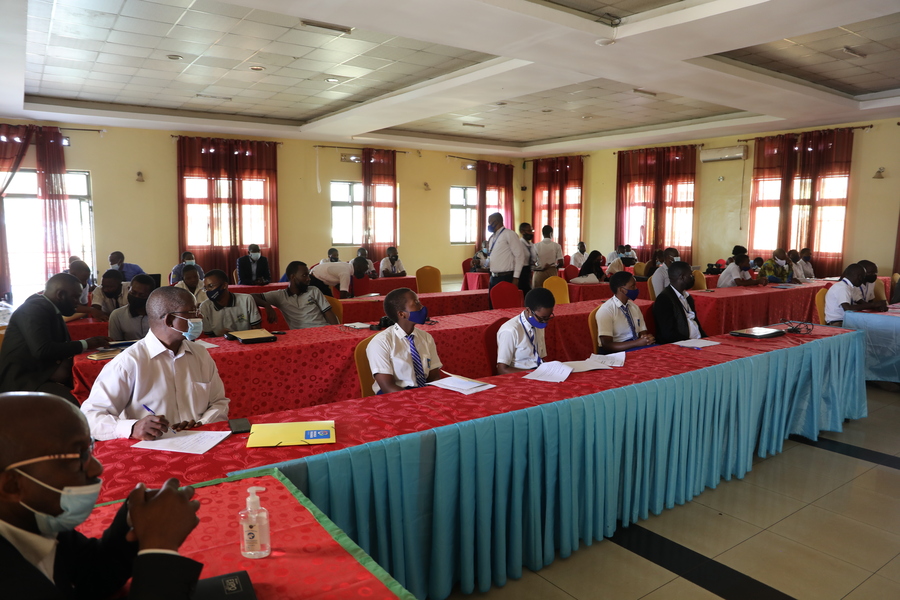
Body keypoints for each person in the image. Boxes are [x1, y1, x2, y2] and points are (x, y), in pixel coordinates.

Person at [0, 391, 203, 598]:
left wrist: (131, 521)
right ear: (11, 486)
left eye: (89, 449)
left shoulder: (33, 518)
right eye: (77, 457)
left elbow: (92, 576)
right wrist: (160, 548)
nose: (97, 468)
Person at [81, 287, 230, 440]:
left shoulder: (200, 354)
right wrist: (132, 427)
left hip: (201, 441)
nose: (200, 316)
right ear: (170, 320)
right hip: (151, 448)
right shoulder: (129, 363)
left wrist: (203, 423)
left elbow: (219, 402)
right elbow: (89, 417)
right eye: (193, 312)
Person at [0, 274, 111, 404]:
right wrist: (85, 344)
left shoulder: (49, 308)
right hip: (25, 381)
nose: (78, 302)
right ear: (60, 295)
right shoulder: (33, 309)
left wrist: (88, 344)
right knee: (79, 404)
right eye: (75, 297)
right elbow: (42, 350)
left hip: (42, 376)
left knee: (97, 391)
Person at [366, 288, 442, 394]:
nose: (421, 307)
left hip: (422, 391)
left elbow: (434, 377)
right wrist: (417, 399)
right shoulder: (381, 342)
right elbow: (387, 387)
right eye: (416, 303)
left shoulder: (426, 337)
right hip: (394, 395)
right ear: (402, 314)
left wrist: (431, 395)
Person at [253, 261, 338, 330]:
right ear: (293, 277)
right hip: (302, 335)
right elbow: (250, 297)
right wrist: (266, 305)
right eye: (304, 275)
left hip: (323, 330)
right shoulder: (280, 295)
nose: (308, 279)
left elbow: (328, 312)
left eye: (308, 275)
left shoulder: (313, 290)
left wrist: (336, 330)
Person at [496, 287, 555, 374]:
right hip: (519, 376)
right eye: (543, 318)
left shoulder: (538, 324)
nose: (545, 322)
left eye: (548, 317)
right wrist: (533, 373)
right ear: (528, 311)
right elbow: (502, 370)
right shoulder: (510, 331)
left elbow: (538, 358)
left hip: (537, 372)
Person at [596, 271, 655, 353]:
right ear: (622, 290)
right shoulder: (606, 310)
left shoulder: (634, 307)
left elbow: (642, 331)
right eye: (632, 286)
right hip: (617, 351)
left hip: (635, 346)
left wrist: (646, 338)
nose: (636, 289)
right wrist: (637, 343)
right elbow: (607, 345)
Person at [652, 261, 707, 344]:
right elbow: (668, 334)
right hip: (681, 344)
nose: (693, 277)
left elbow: (695, 322)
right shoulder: (664, 300)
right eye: (691, 275)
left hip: (696, 341)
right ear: (682, 277)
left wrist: (706, 339)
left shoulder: (687, 297)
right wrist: (691, 342)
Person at [199, 270, 262, 337]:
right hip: (220, 341)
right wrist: (220, 336)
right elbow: (209, 337)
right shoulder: (205, 307)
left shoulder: (246, 300)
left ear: (224, 285)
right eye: (205, 288)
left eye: (211, 286)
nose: (208, 290)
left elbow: (256, 329)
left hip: (245, 340)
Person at [108, 274, 155, 341]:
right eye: (133, 293)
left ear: (151, 295)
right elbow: (116, 344)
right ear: (128, 289)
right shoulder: (117, 315)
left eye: (142, 295)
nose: (136, 297)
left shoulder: (159, 315)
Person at [484, 213, 525, 291]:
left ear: (496, 222)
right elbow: (491, 258)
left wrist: (516, 277)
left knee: (505, 299)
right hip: (493, 277)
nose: (489, 225)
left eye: (490, 222)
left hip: (505, 277)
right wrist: (480, 262)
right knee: (492, 299)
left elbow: (519, 255)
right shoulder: (492, 238)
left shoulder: (509, 234)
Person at [518, 222, 536, 294]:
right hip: (521, 271)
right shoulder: (519, 244)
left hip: (529, 270)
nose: (531, 233)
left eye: (532, 231)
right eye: (529, 231)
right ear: (522, 232)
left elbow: (534, 258)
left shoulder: (531, 245)